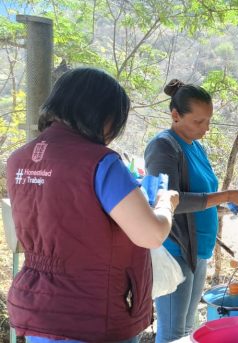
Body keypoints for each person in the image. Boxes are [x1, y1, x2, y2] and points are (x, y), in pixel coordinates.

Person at [5, 68, 179, 342]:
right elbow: (151, 234)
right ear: (103, 114)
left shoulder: (18, 159)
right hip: (91, 313)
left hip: (36, 305)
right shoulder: (100, 162)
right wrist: (166, 205)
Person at [145, 79, 238, 342]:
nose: (206, 128)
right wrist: (227, 194)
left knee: (189, 327)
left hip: (198, 249)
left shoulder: (195, 146)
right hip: (175, 249)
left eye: (209, 120)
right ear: (175, 115)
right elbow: (166, 199)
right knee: (173, 332)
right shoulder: (164, 146)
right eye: (199, 122)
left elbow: (205, 195)